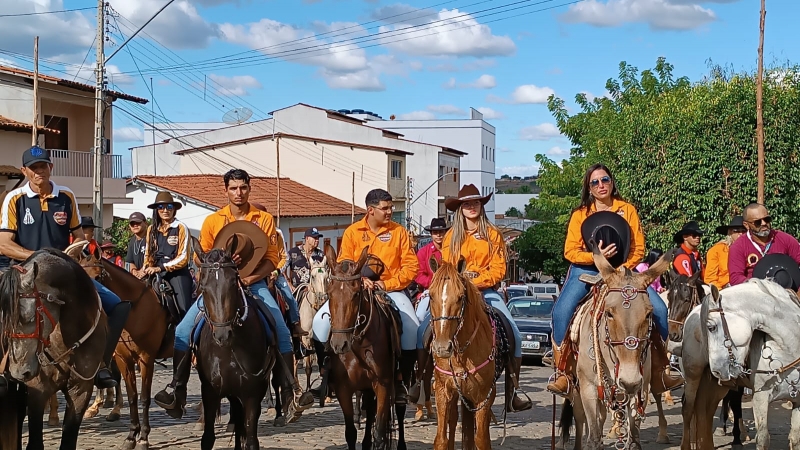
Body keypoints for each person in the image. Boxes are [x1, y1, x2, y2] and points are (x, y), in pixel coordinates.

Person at [154, 169, 313, 422]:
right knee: (184, 330)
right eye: (233, 188)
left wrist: (249, 278)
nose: (238, 193)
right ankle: (177, 389)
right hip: (219, 287)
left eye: (243, 188)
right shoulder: (213, 221)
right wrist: (217, 267)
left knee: (281, 328)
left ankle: (293, 390)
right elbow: (200, 256)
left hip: (255, 284)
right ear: (225, 190)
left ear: (249, 188)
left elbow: (272, 258)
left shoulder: (264, 219)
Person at [0, 145, 129, 390]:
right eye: (34, 168)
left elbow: (79, 236)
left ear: (51, 167)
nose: (40, 172)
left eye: (44, 166)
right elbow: (4, 244)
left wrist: (76, 249)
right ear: (24, 171)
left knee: (116, 305)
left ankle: (101, 364)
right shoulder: (14, 198)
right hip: (24, 276)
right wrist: (39, 256)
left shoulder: (66, 196)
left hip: (63, 276)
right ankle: (3, 366)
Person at [547, 163, 680, 396]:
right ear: (588, 188)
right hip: (586, 269)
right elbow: (570, 251)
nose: (601, 185)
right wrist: (596, 257)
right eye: (595, 182)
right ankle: (563, 372)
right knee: (561, 311)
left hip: (623, 271)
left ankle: (661, 370)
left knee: (658, 308)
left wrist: (622, 268)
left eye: (605, 180)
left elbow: (638, 247)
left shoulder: (627, 209)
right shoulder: (580, 214)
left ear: (612, 182)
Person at [312, 188, 420, 404]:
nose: (390, 212)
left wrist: (386, 283)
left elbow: (410, 266)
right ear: (371, 210)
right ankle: (326, 375)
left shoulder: (399, 232)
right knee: (319, 323)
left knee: (412, 328)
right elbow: (343, 264)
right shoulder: (353, 232)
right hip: (355, 291)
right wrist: (360, 281)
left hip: (391, 290)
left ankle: (402, 379)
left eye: (391, 208)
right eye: (385, 208)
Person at [436, 184, 532, 411]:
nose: (471, 207)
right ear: (460, 208)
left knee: (514, 333)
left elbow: (499, 270)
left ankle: (513, 390)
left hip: (486, 292)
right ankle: (422, 381)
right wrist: (460, 284)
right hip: (455, 292)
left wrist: (475, 281)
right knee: (425, 328)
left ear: (482, 205)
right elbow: (447, 268)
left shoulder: (493, 234)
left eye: (475, 203)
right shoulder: (450, 236)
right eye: (466, 204)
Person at [248, 203, 304, 337]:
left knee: (289, 297)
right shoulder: (245, 232)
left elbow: (284, 256)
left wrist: (276, 271)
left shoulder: (276, 233)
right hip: (250, 274)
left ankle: (295, 324)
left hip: (273, 272)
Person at [141, 192, 194, 318]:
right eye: (161, 207)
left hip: (177, 273)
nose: (165, 210)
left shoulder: (181, 227)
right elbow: (148, 253)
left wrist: (162, 267)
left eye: (169, 207)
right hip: (155, 271)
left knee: (183, 310)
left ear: (174, 209)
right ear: (156, 210)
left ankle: (186, 333)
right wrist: (146, 267)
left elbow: (183, 257)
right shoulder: (151, 229)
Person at [728, 203, 800, 286]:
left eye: (767, 219)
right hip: (756, 293)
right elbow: (735, 278)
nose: (764, 223)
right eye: (758, 222)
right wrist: (758, 285)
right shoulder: (738, 247)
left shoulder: (784, 239)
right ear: (746, 225)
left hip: (788, 291)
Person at [705, 216, 746, 290]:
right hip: (724, 290)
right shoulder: (716, 250)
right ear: (730, 232)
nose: (740, 233)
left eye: (743, 230)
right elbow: (710, 279)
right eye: (736, 230)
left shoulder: (751, 250)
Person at [125, 211, 148, 277]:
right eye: (132, 223)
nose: (135, 225)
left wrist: (142, 270)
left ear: (145, 223)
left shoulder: (151, 238)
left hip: (151, 274)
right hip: (138, 277)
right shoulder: (132, 241)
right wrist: (134, 271)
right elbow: (129, 261)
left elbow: (155, 259)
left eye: (138, 222)